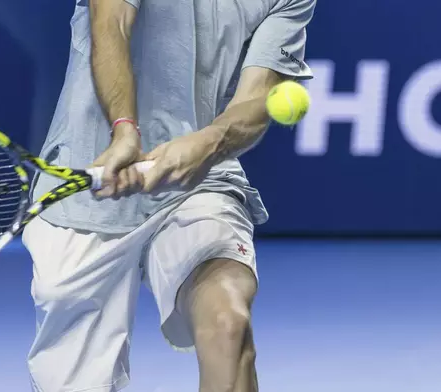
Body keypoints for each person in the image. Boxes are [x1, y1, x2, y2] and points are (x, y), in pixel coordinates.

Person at [22, 0, 316, 390]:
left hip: (197, 179)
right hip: (88, 186)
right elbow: (110, 22)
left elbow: (256, 97)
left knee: (228, 325)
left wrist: (210, 141)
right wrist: (124, 129)